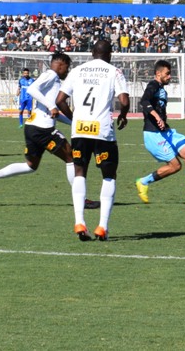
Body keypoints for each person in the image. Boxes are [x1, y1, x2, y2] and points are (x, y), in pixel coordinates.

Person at [0, 53, 96, 209]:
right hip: (43, 130)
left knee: (31, 166)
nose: (67, 71)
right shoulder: (51, 75)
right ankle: (81, 200)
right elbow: (32, 89)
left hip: (32, 127)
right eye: (67, 67)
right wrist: (51, 106)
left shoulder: (52, 81)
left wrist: (74, 122)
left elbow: (53, 113)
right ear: (60, 65)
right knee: (71, 157)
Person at [55, 40, 130, 242]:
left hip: (80, 129)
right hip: (102, 130)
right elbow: (124, 101)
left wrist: (74, 118)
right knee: (109, 176)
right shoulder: (114, 72)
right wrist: (123, 115)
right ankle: (102, 226)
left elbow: (59, 100)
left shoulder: (77, 71)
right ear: (110, 54)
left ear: (92, 53)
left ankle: (79, 221)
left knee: (80, 173)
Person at [135, 60, 185, 205]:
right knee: (175, 166)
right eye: (167, 74)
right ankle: (143, 182)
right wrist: (156, 116)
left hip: (166, 132)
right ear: (158, 73)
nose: (169, 76)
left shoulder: (162, 89)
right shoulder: (153, 85)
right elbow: (144, 101)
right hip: (153, 134)